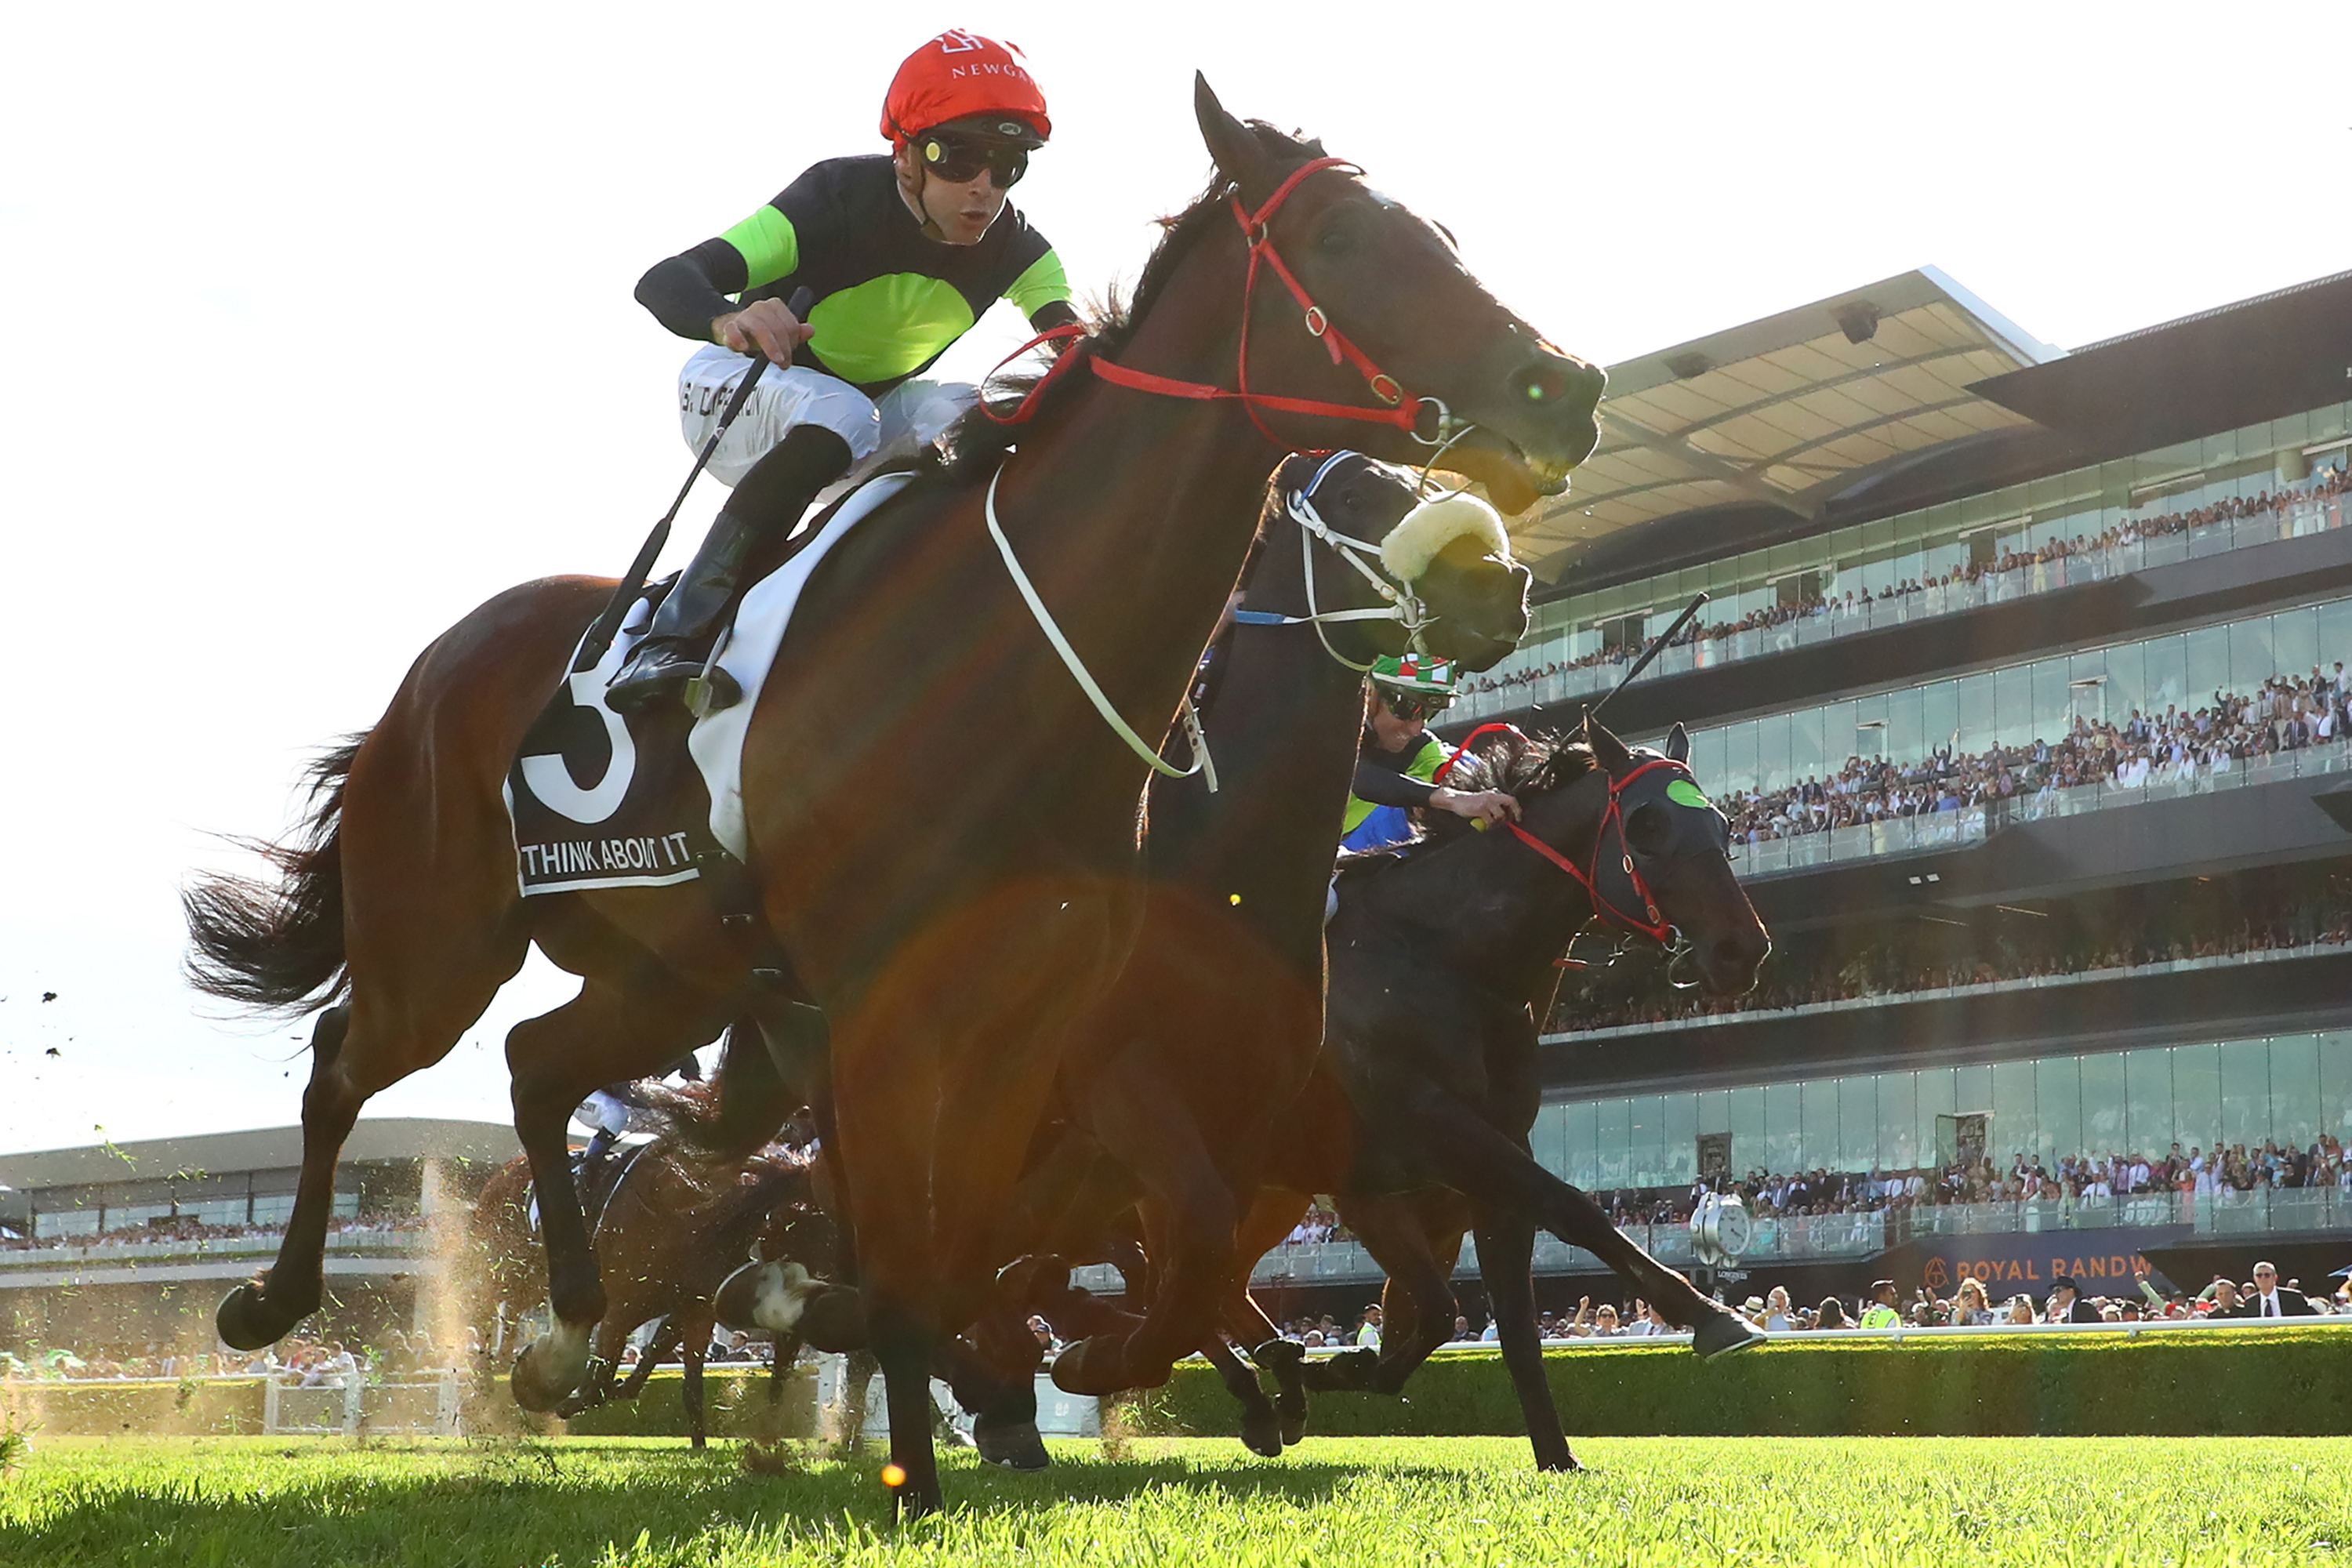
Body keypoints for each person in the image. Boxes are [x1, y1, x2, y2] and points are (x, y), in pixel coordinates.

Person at [611, 31, 1080, 711]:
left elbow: (1078, 351)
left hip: (851, 423)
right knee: (842, 411)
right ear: (909, 155)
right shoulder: (836, 197)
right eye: (961, 157)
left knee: (970, 411)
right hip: (732, 389)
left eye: (1008, 164)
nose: (984, 187)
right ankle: (671, 634)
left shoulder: (1023, 252)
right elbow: (666, 279)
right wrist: (727, 320)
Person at [1339, 658, 1519, 854]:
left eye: (1429, 712)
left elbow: (1462, 778)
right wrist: (1452, 799)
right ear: (1369, 694)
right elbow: (1357, 776)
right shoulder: (1325, 729)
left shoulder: (1421, 748)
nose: (1417, 728)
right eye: (1408, 708)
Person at [2229, 1260, 2321, 1318]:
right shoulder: (2250, 1303)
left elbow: (2313, 1318)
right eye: (2259, 1275)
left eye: (2267, 1275)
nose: (2263, 1278)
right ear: (2254, 1279)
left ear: (2275, 1278)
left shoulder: (2294, 1297)